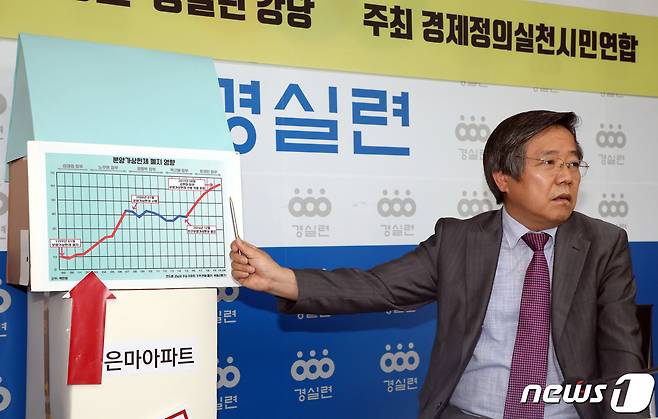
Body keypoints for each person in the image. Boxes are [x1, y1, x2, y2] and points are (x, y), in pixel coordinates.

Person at [230, 110, 646, 419]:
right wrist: (280, 279)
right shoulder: (459, 241)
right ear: (503, 178)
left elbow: (621, 350)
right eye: (549, 162)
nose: (567, 176)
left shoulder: (603, 243)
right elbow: (379, 287)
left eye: (573, 163)